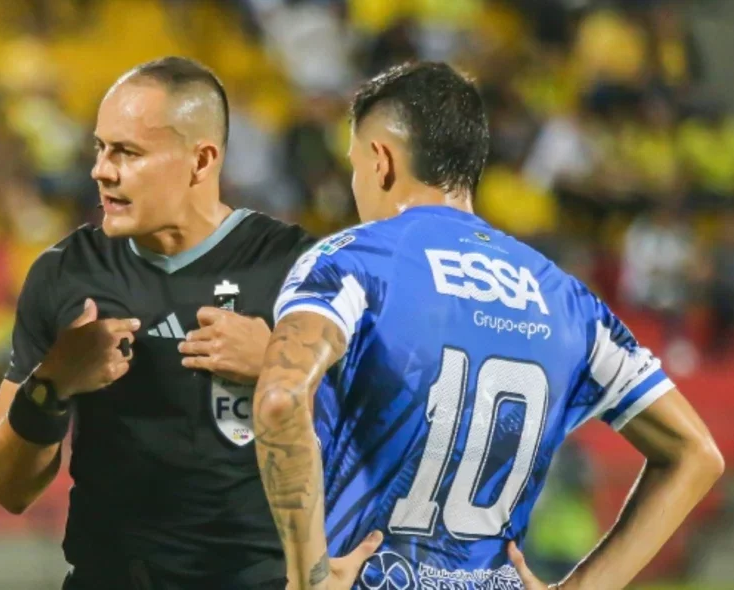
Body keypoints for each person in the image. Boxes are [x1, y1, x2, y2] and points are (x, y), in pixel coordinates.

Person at [253, 61, 724, 590]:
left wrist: (310, 575)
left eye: (355, 164)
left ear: (381, 161)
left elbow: (281, 399)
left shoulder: (354, 262)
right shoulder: (567, 299)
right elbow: (696, 456)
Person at [0, 56, 348, 590]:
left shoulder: (298, 269)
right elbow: (8, 488)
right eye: (100, 148)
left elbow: (378, 433)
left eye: (127, 152)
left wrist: (279, 368)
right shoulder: (66, 273)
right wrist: (52, 384)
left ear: (201, 160)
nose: (101, 170)